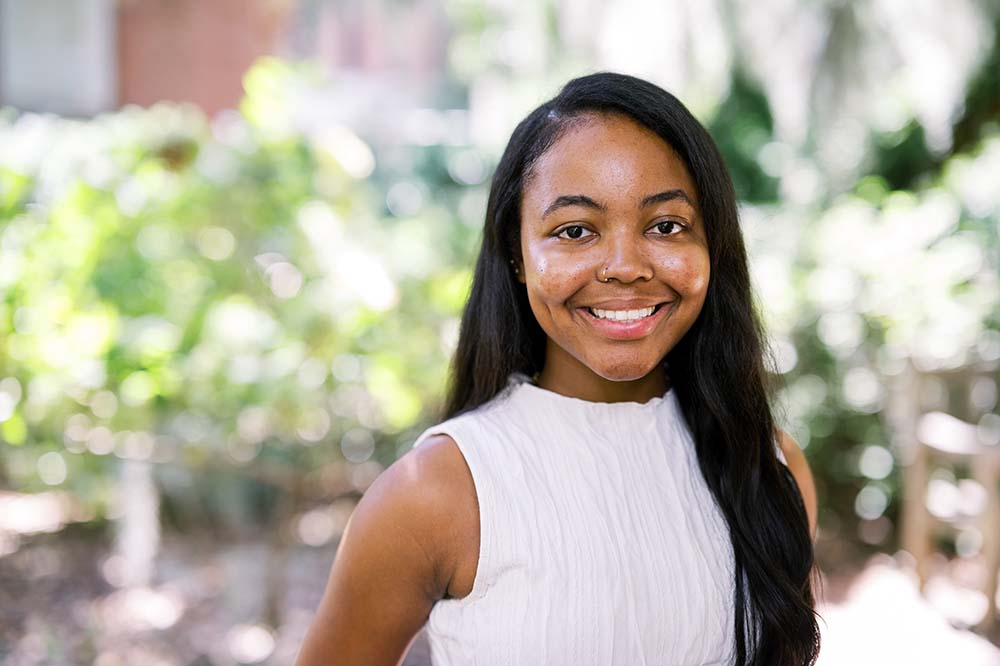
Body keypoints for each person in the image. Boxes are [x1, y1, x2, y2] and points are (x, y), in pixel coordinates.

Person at [295, 72, 821, 666]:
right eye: (575, 230)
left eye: (666, 226)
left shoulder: (769, 467)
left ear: (714, 246)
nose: (626, 266)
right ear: (517, 255)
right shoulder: (436, 494)